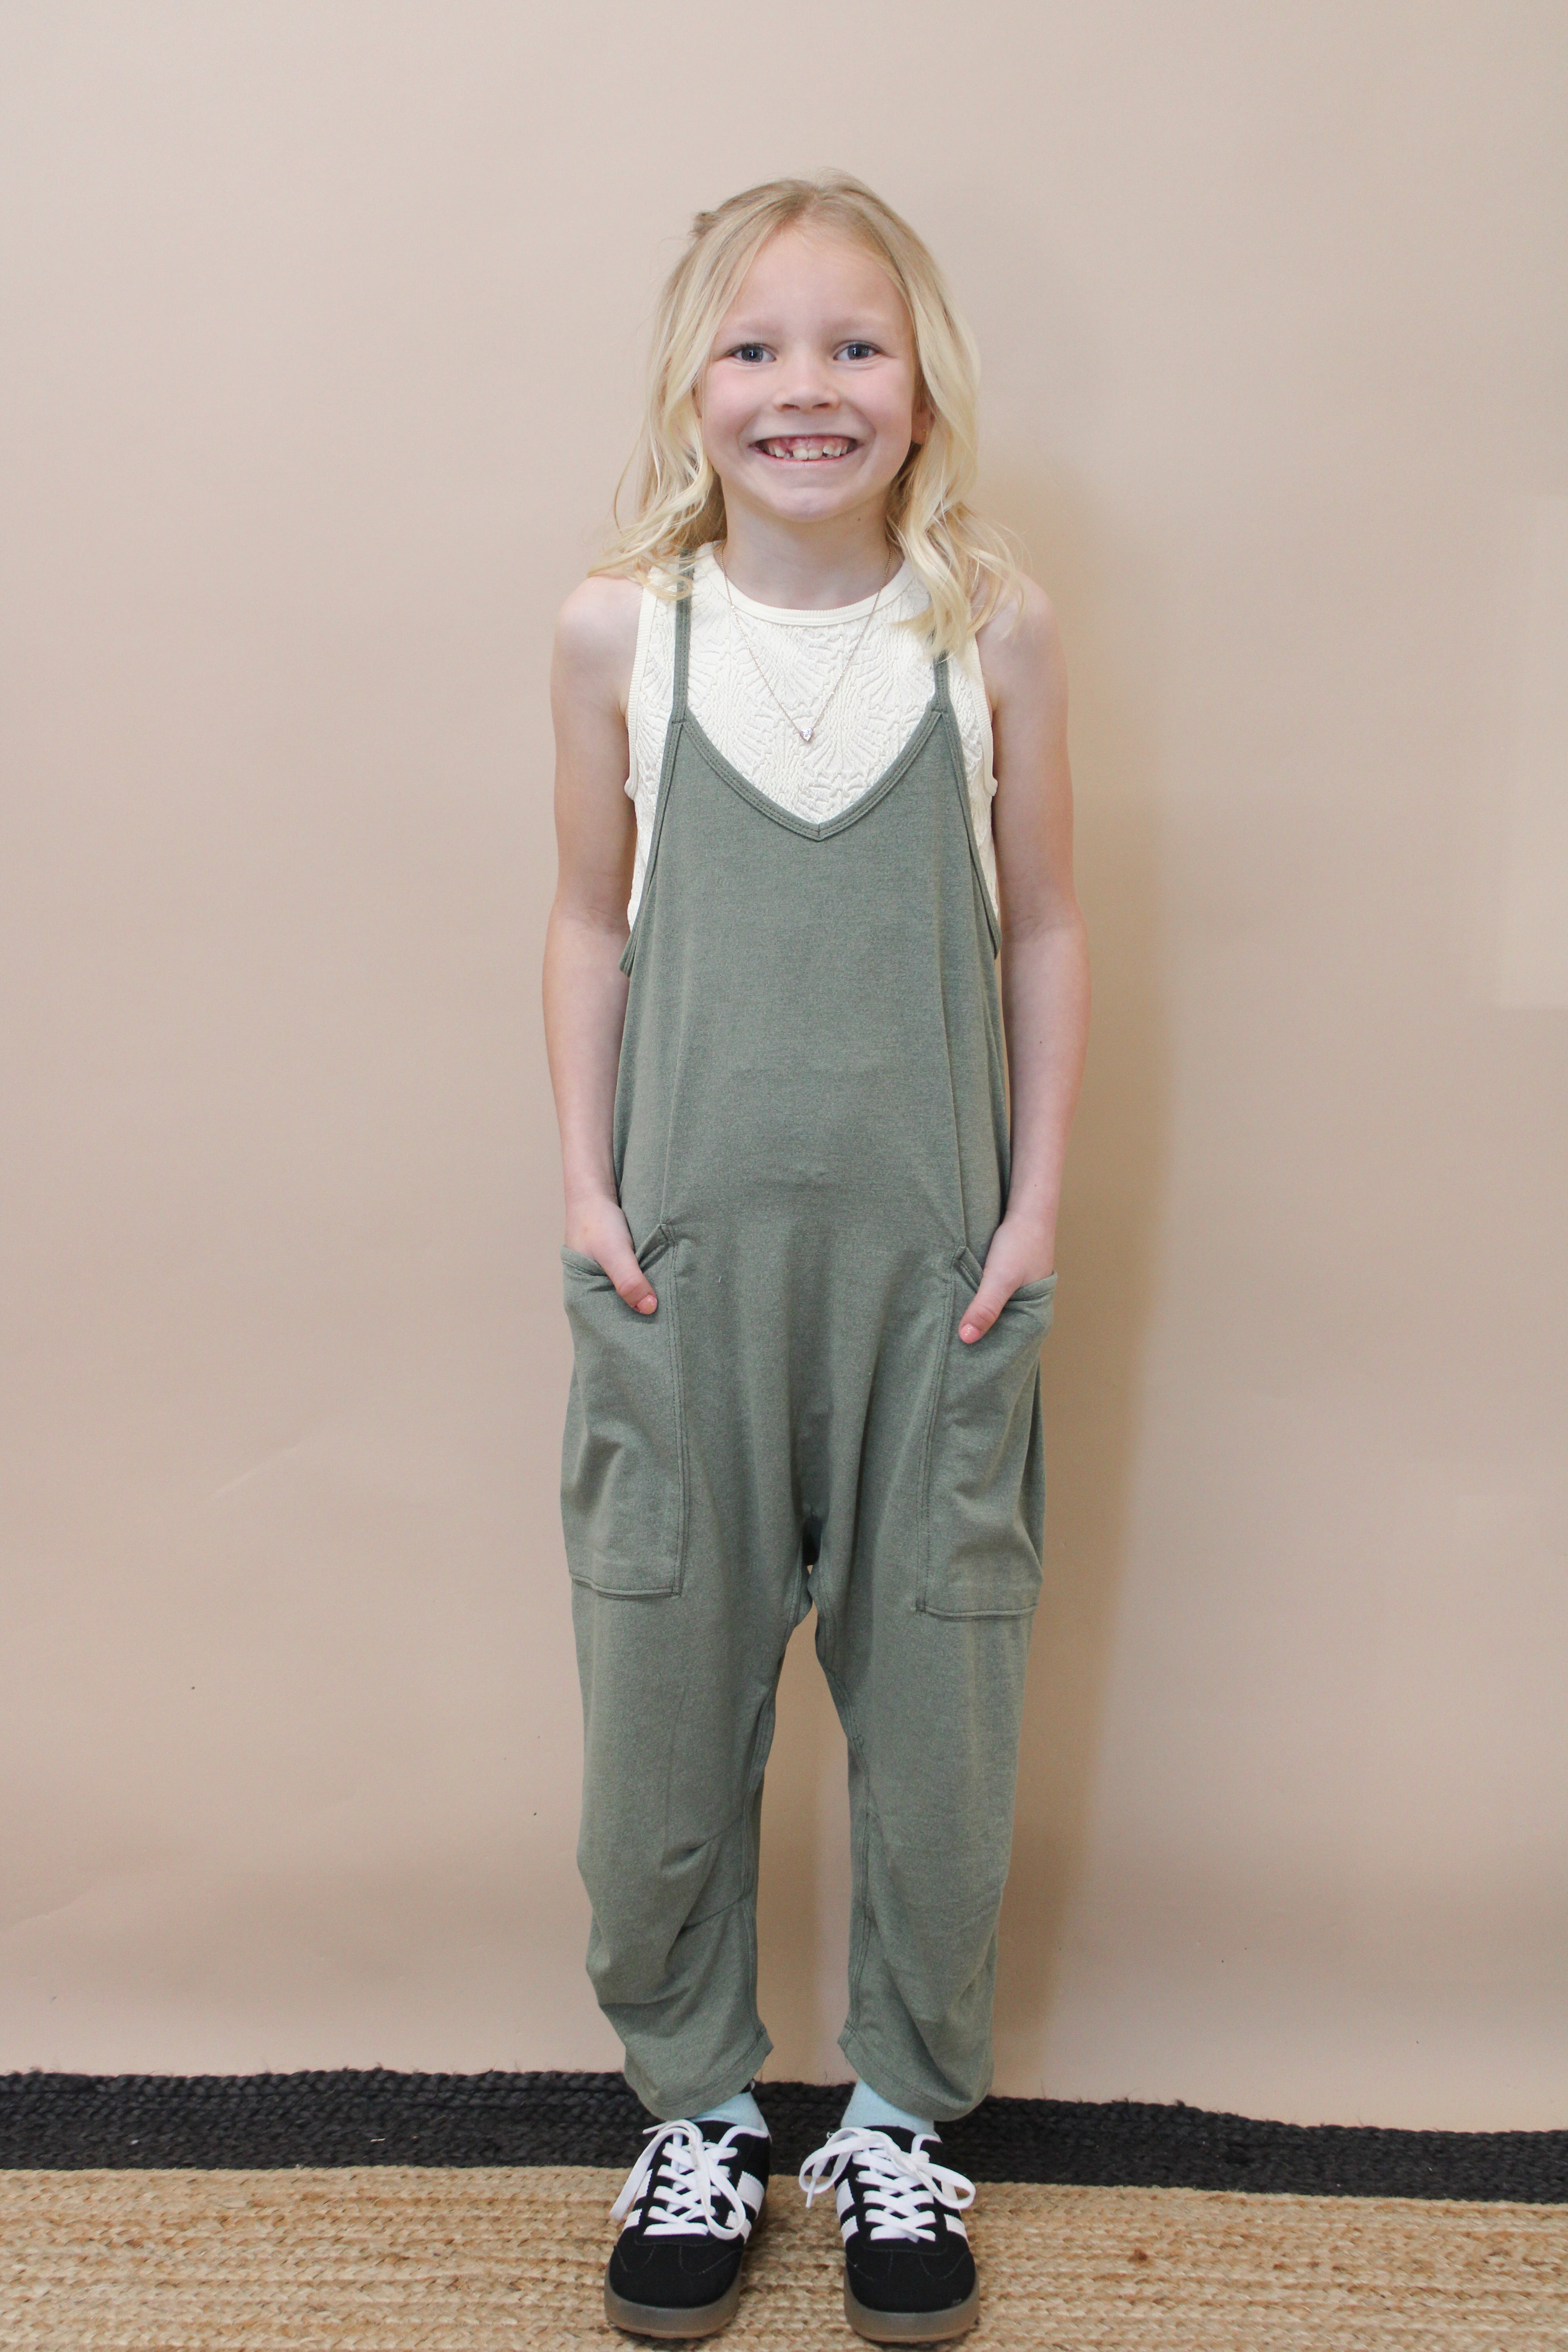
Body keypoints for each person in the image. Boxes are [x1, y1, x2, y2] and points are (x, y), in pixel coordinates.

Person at [542, 171, 1089, 2343]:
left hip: (936, 1283)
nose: (809, 388)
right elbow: (587, 922)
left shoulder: (990, 633)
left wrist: (1031, 1210)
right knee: (659, 1726)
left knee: (942, 1729)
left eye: (858, 345)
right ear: (694, 384)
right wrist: (587, 1193)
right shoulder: (623, 631)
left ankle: (897, 2122)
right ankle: (695, 2111)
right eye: (759, 346)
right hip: (676, 1277)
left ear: (923, 387)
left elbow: (1046, 927)